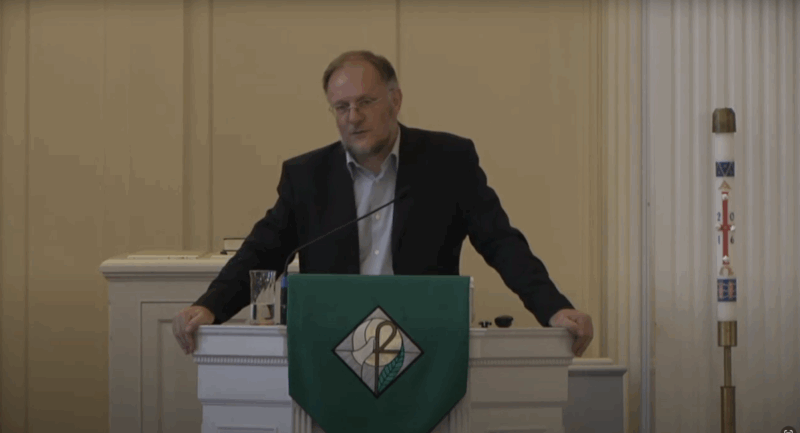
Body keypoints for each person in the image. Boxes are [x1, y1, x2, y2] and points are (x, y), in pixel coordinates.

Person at [172, 50, 594, 357]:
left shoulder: (448, 161)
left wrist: (554, 308)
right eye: (342, 106)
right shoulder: (307, 176)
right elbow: (261, 250)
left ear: (395, 100)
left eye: (366, 102)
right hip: (334, 349)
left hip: (426, 347)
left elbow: (501, 242)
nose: (353, 117)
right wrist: (209, 306)